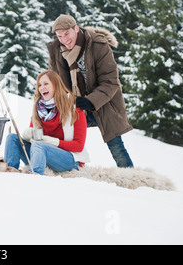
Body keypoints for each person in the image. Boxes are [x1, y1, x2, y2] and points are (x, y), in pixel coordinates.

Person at [47, 14, 134, 168]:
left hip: (104, 103)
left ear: (76, 29)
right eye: (59, 36)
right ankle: (70, 168)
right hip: (77, 105)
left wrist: (90, 100)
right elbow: (55, 80)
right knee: (65, 137)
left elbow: (110, 81)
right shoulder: (56, 50)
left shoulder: (97, 45)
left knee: (116, 147)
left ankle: (132, 180)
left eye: (67, 34)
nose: (64, 39)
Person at [5, 70, 89, 174]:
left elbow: (79, 146)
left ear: (56, 85)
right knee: (12, 138)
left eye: (46, 84)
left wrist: (54, 142)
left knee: (38, 145)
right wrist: (28, 134)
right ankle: (10, 173)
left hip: (71, 159)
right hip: (40, 155)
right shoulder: (38, 109)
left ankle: (34, 176)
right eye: (39, 85)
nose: (42, 88)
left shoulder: (74, 109)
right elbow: (33, 139)